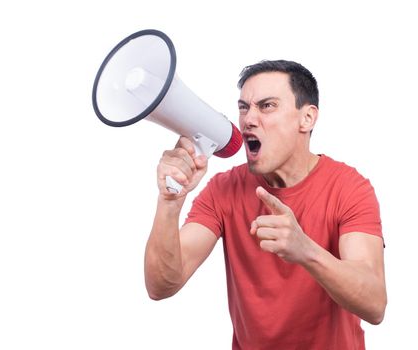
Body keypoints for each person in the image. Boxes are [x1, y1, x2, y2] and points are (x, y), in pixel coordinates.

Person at [144, 60, 386, 349]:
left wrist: (306, 250)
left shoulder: (349, 188)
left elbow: (375, 304)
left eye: (267, 106)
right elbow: (161, 285)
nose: (248, 119)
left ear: (307, 118)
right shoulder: (224, 190)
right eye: (244, 107)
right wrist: (170, 201)